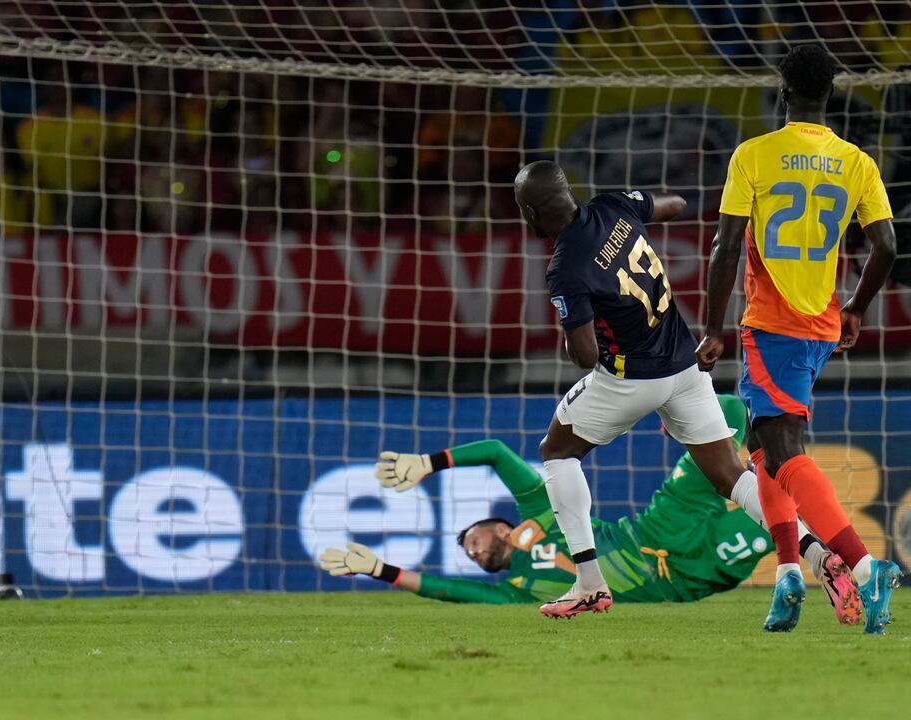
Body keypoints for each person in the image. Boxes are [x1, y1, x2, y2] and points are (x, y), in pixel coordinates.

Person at [319, 396, 860, 620]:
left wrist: (428, 463)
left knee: (728, 410)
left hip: (658, 526)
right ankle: (825, 556)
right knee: (775, 517)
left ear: (496, 522)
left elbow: (495, 453)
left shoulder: (539, 508)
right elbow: (448, 591)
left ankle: (789, 500)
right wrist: (378, 569)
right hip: (689, 576)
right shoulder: (518, 590)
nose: (476, 550)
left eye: (473, 538)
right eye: (472, 555)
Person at [696, 44, 901, 634]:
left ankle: (866, 568)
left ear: (782, 95)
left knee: (782, 447)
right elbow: (886, 246)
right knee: (763, 444)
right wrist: (855, 308)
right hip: (820, 323)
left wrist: (712, 326)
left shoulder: (755, 155)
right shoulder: (856, 161)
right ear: (830, 96)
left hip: (772, 323)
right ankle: (789, 570)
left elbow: (726, 245)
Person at [512, 161, 764, 620]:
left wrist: (571, 327)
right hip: (685, 366)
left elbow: (586, 356)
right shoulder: (614, 205)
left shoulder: (565, 267)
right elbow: (677, 204)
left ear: (531, 212)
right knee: (731, 475)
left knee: (556, 452)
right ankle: (816, 552)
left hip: (632, 379)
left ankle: (589, 582)